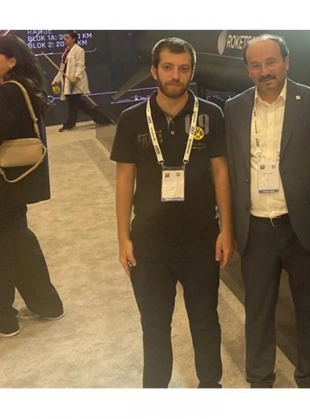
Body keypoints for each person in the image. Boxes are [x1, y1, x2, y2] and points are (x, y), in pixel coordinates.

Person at [110, 37, 234, 388]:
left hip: (201, 240)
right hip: (149, 244)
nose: (175, 75)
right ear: (154, 71)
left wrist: (226, 229)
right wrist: (123, 238)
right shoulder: (132, 119)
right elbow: (124, 180)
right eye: (167, 67)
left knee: (206, 322)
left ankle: (210, 388)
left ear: (192, 72)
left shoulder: (211, 114)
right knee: (154, 327)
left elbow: (221, 173)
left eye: (183, 68)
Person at [224, 34, 310, 388]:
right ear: (248, 70)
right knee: (258, 312)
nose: (265, 71)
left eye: (271, 62)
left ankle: (308, 380)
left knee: (309, 313)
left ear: (286, 62)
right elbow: (230, 170)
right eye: (256, 65)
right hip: (256, 228)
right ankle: (260, 381)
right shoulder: (235, 108)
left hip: (302, 226)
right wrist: (229, 227)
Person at [0, 35, 64, 338]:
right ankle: (47, 304)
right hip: (16, 182)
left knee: (6, 246)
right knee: (19, 241)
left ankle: (4, 318)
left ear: (11, 60)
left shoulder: (8, 91)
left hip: (5, 182)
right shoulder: (24, 86)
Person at [51, 31, 109, 132]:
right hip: (67, 80)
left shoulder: (79, 50)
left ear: (74, 39)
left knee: (73, 104)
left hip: (75, 81)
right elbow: (62, 68)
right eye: (65, 37)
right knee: (79, 104)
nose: (65, 39)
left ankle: (70, 124)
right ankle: (101, 118)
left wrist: (75, 77)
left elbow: (80, 65)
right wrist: (56, 80)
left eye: (67, 37)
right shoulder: (66, 51)